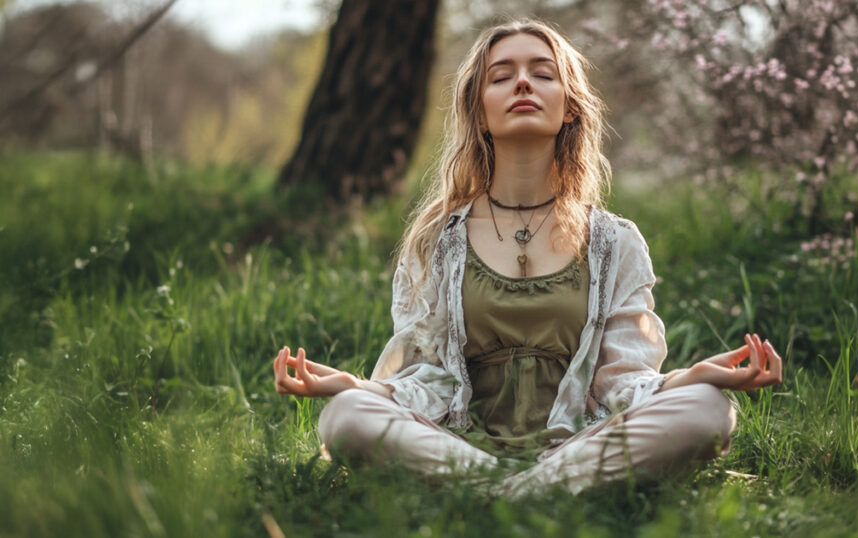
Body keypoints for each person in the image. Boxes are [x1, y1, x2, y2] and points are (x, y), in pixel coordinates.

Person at [272, 18, 783, 499]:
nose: (522, 84)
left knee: (707, 409)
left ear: (570, 108)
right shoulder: (438, 240)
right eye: (502, 77)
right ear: (479, 111)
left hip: (578, 445)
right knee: (345, 417)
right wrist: (359, 387)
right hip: (461, 446)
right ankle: (525, 489)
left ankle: (512, 493)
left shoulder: (614, 242)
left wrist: (689, 377)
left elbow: (622, 382)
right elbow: (428, 378)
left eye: (542, 73)